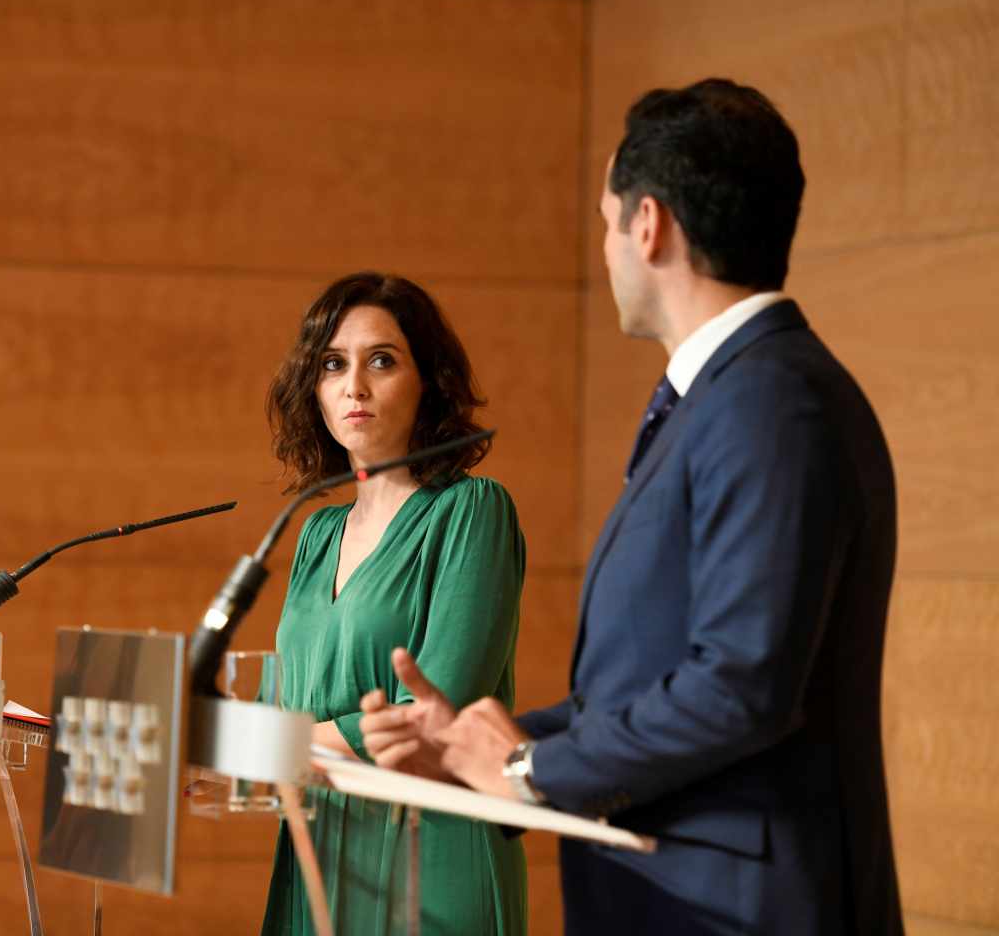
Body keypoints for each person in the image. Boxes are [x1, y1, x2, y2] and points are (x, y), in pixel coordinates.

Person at [359, 79, 905, 935]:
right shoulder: (729, 397)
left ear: (648, 225)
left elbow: (740, 687)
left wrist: (531, 770)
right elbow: (655, 684)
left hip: (733, 912)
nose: (605, 246)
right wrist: (468, 750)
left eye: (608, 219)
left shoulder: (770, 401)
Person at [261, 272, 528, 936]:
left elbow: (433, 715)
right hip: (319, 844)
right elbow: (283, 701)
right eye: (332, 364)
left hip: (431, 852)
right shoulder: (316, 532)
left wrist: (268, 746)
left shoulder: (473, 510)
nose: (354, 385)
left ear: (428, 382)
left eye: (382, 360)